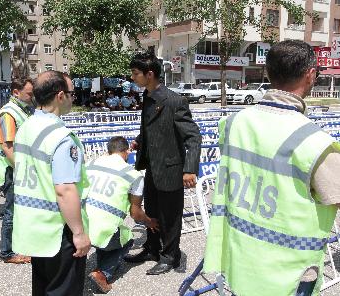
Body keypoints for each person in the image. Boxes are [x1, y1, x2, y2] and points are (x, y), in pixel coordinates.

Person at [203, 40, 340, 296]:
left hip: (240, 259)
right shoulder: (315, 143)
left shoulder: (233, 123)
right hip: (288, 276)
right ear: (310, 75)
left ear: (268, 72)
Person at [12, 71, 91, 295]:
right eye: (71, 93)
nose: (73, 98)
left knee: (43, 286)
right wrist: (78, 233)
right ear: (60, 96)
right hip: (59, 230)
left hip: (34, 226)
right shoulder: (62, 137)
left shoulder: (27, 125)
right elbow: (65, 190)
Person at [124, 52, 201, 275]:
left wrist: (189, 169)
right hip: (152, 168)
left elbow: (193, 137)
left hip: (170, 169)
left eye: (136, 73)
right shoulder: (147, 98)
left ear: (150, 74)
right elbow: (150, 128)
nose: (133, 77)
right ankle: (152, 248)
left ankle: (170, 256)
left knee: (170, 216)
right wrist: (140, 140)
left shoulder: (174, 101)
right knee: (153, 211)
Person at [83, 136, 159, 293]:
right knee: (126, 238)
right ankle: (102, 274)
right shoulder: (133, 174)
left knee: (108, 232)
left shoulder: (90, 164)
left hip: (79, 225)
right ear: (127, 152)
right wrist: (149, 222)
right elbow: (136, 214)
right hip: (101, 230)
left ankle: (99, 265)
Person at [0, 78, 35, 264]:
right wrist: (22, 170)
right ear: (16, 92)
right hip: (13, 171)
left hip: (20, 169)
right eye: (29, 93)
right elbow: (7, 147)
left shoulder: (22, 110)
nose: (32, 96)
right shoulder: (8, 113)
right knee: (11, 212)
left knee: (20, 211)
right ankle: (7, 252)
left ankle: (20, 246)